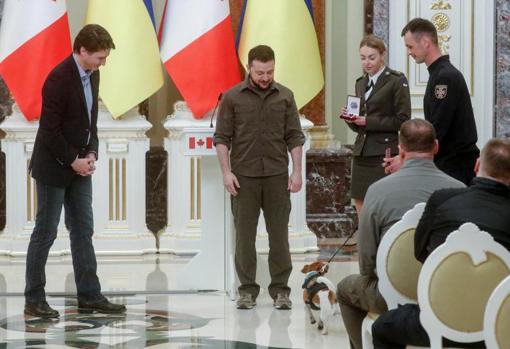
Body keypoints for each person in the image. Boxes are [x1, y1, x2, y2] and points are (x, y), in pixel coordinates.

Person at [25, 24, 125, 318]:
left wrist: (92, 152)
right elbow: (49, 131)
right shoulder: (58, 78)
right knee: (45, 231)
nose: (103, 63)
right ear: (82, 51)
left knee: (83, 230)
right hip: (54, 167)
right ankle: (34, 298)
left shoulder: (93, 75)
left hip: (81, 167)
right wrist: (73, 160)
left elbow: (90, 122)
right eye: (99, 57)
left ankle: (90, 295)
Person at [336, 119, 464, 349]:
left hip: (389, 296)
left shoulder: (376, 190)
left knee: (345, 289)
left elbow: (366, 263)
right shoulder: (459, 190)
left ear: (400, 149)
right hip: (443, 296)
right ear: (435, 146)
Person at [372, 138, 510, 349]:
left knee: (382, 328)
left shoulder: (441, 200)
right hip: (502, 328)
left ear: (477, 165)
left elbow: (420, 253)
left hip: (436, 323)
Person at [214, 45, 305, 310]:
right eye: (260, 72)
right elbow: (221, 138)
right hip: (244, 178)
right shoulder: (232, 97)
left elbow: (295, 137)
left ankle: (280, 290)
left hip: (277, 176)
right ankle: (247, 290)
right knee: (244, 237)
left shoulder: (286, 96)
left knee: (279, 236)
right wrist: (226, 172)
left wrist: (297, 171)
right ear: (249, 69)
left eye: (270, 72)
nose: (265, 77)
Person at [385, 18, 479, 185]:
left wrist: (407, 158)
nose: (409, 52)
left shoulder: (444, 77)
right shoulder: (440, 74)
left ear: (426, 42)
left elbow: (437, 128)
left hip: (455, 167)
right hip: (450, 165)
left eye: (410, 46)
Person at [340, 35, 411, 216]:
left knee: (383, 202)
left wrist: (368, 121)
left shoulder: (396, 80)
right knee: (359, 199)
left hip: (383, 151)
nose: (367, 63)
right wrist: (351, 120)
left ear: (382, 55)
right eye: (363, 58)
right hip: (362, 151)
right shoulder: (361, 83)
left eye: (372, 57)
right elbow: (360, 126)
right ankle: (365, 241)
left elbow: (403, 120)